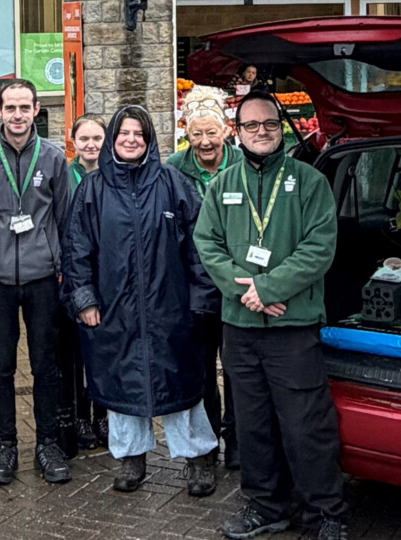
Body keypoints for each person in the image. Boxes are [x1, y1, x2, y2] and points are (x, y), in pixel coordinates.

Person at [193, 91, 349, 540]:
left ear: (280, 127)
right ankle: (265, 506)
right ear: (236, 132)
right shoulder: (223, 185)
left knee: (306, 425)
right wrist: (248, 292)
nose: (261, 131)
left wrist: (269, 287)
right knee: (252, 423)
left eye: (269, 124)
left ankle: (326, 513)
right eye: (251, 125)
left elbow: (319, 247)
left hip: (292, 327)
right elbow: (208, 244)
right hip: (240, 328)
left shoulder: (308, 181)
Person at [61, 105, 220, 496]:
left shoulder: (172, 183)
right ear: (113, 139)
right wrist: (84, 299)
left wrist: (200, 300)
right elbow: (76, 249)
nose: (131, 139)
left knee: (181, 388)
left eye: (139, 133)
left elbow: (200, 247)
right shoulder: (92, 189)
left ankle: (198, 459)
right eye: (123, 133)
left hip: (171, 309)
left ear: (149, 140)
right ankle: (131, 459)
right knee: (122, 388)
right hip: (116, 310)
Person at [0, 79, 72, 485]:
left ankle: (46, 444)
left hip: (43, 279)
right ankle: (6, 445)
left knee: (46, 366)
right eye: (10, 107)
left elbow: (65, 219)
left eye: (24, 107)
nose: (17, 115)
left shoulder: (52, 158)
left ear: (36, 110)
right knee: (1, 367)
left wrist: (64, 267)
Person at [166, 86, 244, 469]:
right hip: (192, 290)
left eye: (211, 132)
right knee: (199, 372)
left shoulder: (244, 164)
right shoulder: (173, 169)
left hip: (239, 286)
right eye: (196, 133)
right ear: (186, 133)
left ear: (227, 130)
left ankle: (240, 444)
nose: (204, 141)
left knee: (239, 369)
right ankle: (206, 448)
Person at [60, 114, 109, 450]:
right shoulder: (64, 176)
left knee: (105, 349)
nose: (91, 145)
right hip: (74, 273)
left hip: (108, 276)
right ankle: (79, 417)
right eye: (85, 139)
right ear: (72, 140)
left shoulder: (114, 176)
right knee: (75, 351)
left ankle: (103, 414)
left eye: (97, 139)